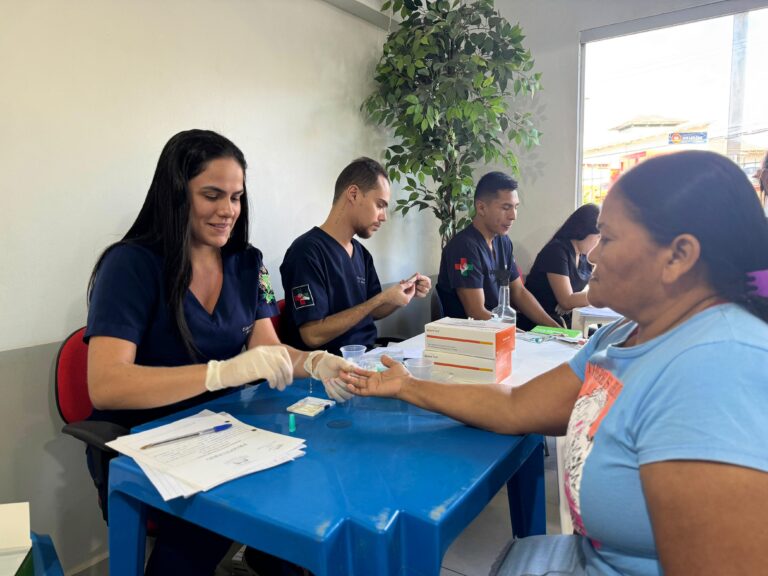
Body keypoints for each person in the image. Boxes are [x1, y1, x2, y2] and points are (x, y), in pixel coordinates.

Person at [342, 151, 768, 575]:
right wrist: (407, 386)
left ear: (678, 256)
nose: (593, 257)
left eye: (608, 239)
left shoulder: (717, 368)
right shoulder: (620, 337)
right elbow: (515, 406)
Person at [86, 129, 351, 576]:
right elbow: (106, 384)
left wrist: (317, 362)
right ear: (176, 194)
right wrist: (219, 373)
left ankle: (273, 559)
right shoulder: (130, 265)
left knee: (306, 486)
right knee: (206, 527)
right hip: (151, 439)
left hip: (225, 430)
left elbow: (269, 351)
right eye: (212, 195)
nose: (228, 210)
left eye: (236, 197)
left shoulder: (247, 262)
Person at [279, 157, 431, 354]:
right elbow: (312, 335)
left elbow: (373, 311)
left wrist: (401, 295)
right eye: (380, 205)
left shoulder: (361, 254)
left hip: (368, 356)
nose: (384, 216)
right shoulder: (306, 252)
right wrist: (378, 300)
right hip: (329, 366)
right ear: (353, 194)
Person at [435, 171, 559, 327]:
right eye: (506, 208)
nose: (513, 216)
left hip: (498, 327)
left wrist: (555, 328)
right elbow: (476, 312)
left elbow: (518, 292)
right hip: (472, 334)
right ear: (481, 208)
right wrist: (518, 335)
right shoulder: (464, 247)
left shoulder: (503, 241)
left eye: (515, 207)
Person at [516, 204, 600, 331]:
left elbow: (597, 286)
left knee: (605, 336)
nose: (600, 242)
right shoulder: (557, 251)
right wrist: (573, 301)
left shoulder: (585, 256)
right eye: (598, 237)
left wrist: (574, 301)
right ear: (584, 230)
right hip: (540, 323)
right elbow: (566, 300)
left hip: (564, 320)